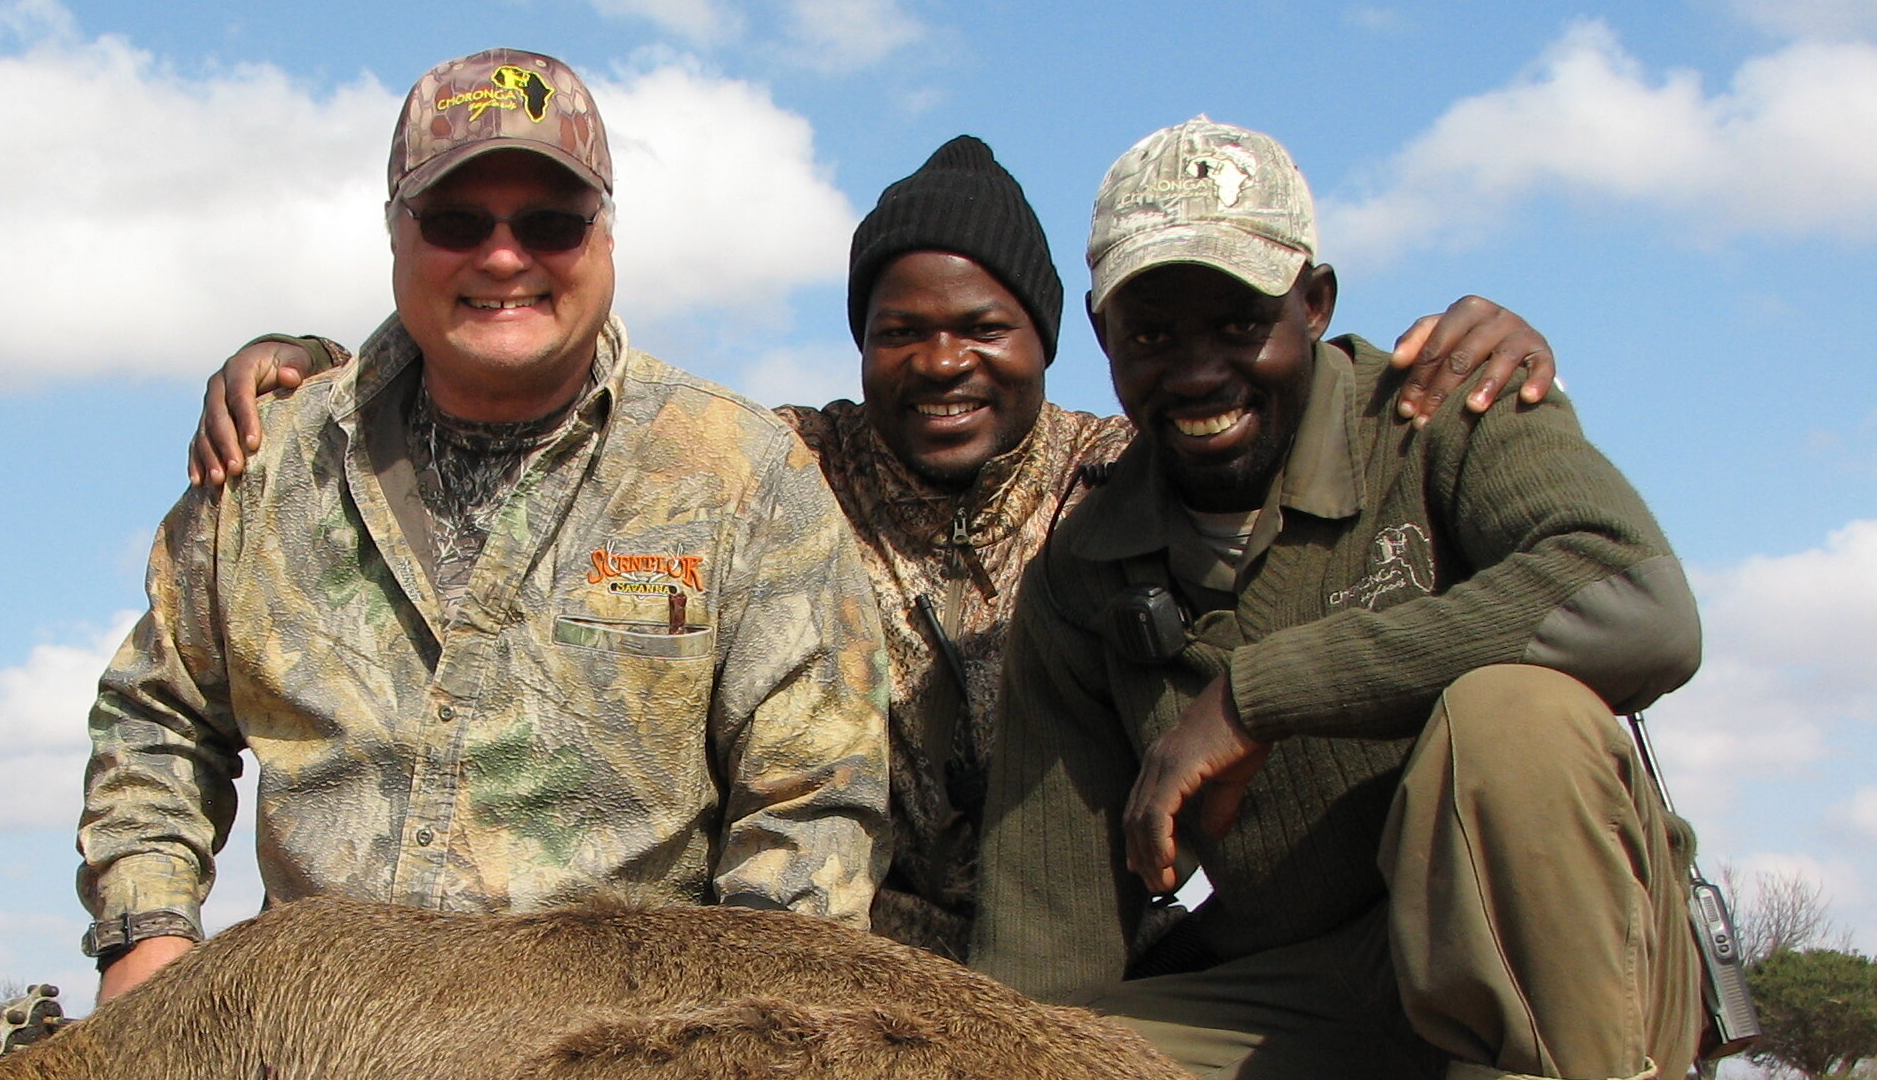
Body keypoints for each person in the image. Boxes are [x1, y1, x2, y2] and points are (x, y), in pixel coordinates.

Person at [193, 138, 1560, 961]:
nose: (943, 361)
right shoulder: (781, 471)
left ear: (1048, 338)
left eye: (984, 327)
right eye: (901, 329)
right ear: (860, 345)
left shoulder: (1129, 470)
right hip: (870, 985)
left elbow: (1274, 413)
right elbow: (572, 421)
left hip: (1110, 964)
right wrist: (316, 368)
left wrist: (1475, 345)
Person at [972, 116, 1709, 1080]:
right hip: (1334, 1022)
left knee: (1515, 717)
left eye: (1239, 317)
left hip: (1581, 994)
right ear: (1102, 332)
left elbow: (1637, 604)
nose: (1198, 365)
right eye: (1154, 326)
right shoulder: (1087, 573)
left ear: (1314, 302)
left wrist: (1263, 692)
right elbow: (1042, 968)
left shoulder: (1450, 419)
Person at [80, 49, 889, 1003]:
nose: (504, 257)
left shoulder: (742, 476)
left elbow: (813, 804)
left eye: (550, 223)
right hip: (306, 1062)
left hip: (611, 1071)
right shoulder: (266, 464)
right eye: (458, 222)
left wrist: (739, 1050)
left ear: (608, 236)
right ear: (394, 234)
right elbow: (157, 717)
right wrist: (147, 934)